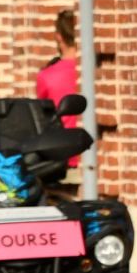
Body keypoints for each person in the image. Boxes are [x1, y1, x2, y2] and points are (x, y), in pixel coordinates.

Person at [35, 10, 83, 175]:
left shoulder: (47, 76)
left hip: (64, 158)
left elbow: (42, 117)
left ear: (59, 37)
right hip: (93, 155)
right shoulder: (93, 71)